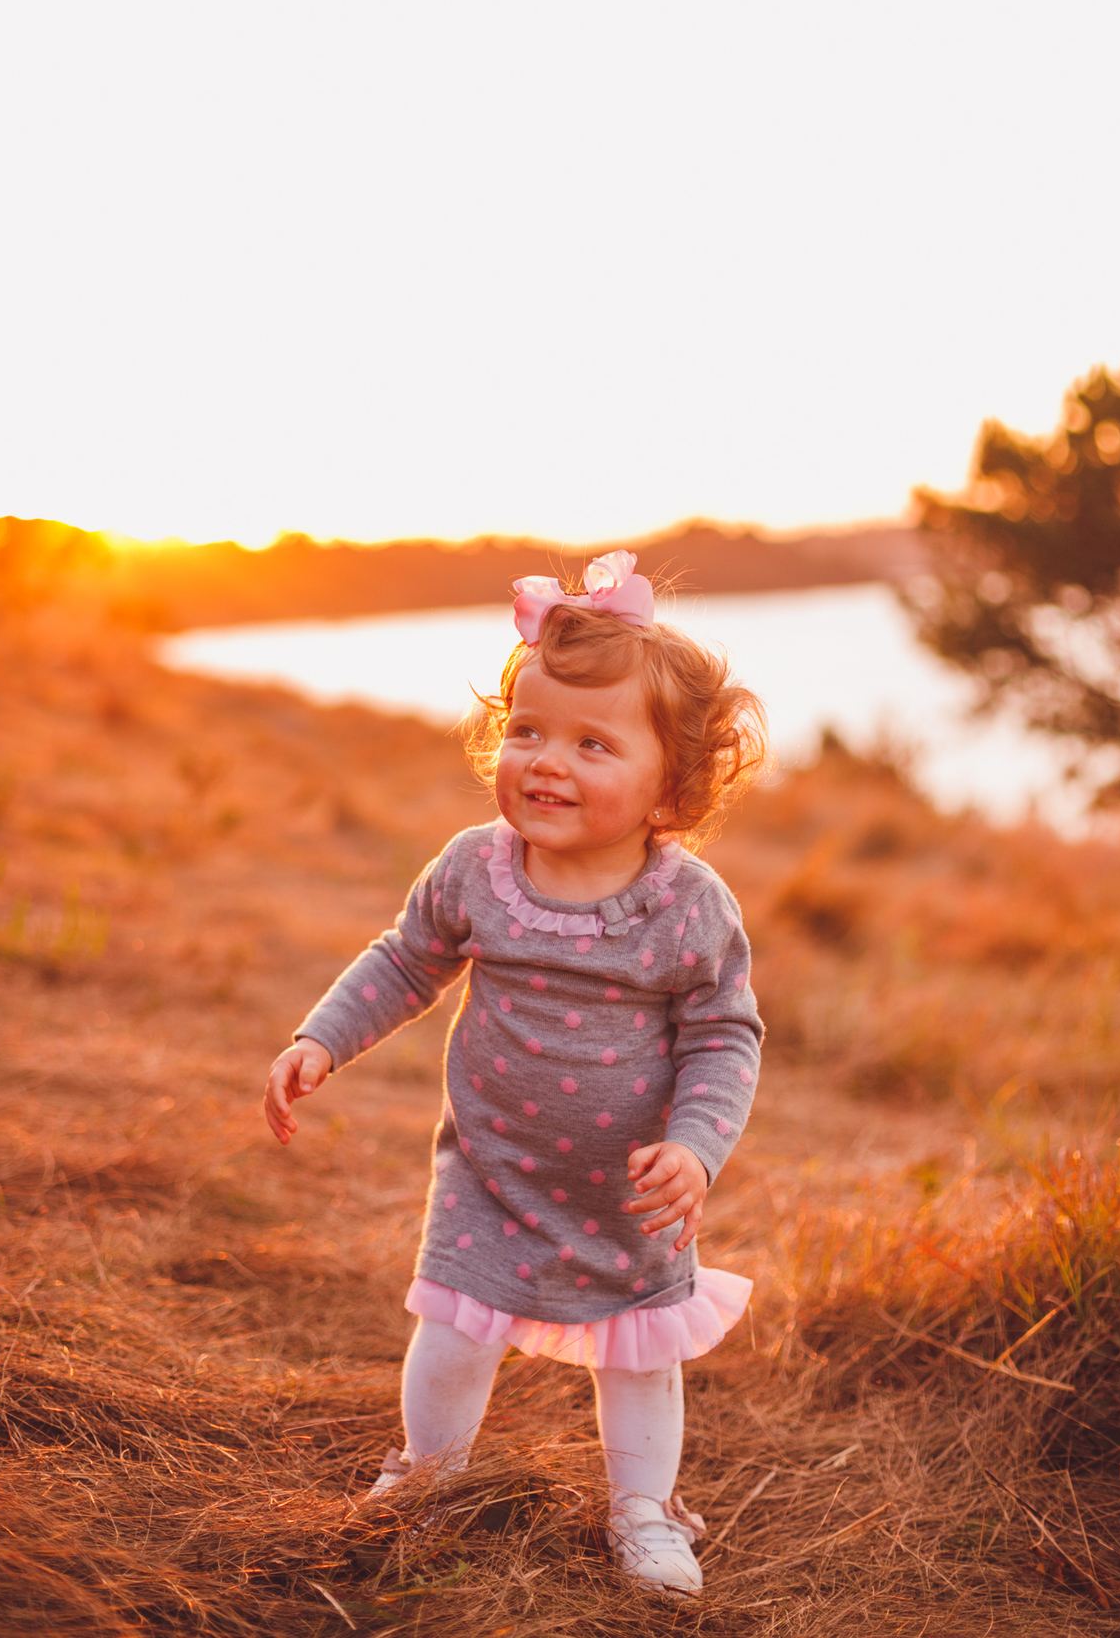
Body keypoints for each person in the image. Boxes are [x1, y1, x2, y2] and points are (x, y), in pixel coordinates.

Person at [263, 552, 766, 1596]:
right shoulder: (475, 869)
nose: (546, 762)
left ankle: (643, 1510)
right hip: (491, 1171)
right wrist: (323, 1039)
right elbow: (405, 961)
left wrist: (695, 1147)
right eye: (528, 731)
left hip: (628, 1189)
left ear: (671, 788)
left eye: (593, 744)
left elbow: (725, 1035)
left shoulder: (686, 907)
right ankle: (427, 1476)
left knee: (639, 1357)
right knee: (452, 1329)